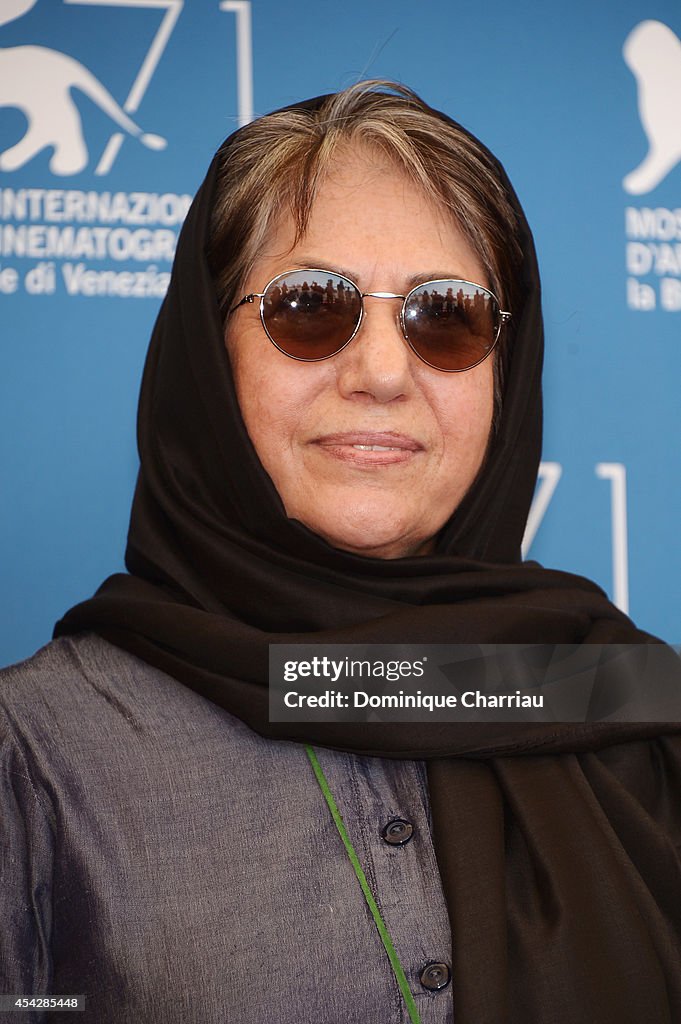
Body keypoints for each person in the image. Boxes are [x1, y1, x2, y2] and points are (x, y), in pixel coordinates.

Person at [1, 80, 680, 1024]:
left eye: (446, 316)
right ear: (208, 352)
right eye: (310, 307)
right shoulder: (38, 751)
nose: (380, 373)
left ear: (505, 374)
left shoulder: (617, 698)